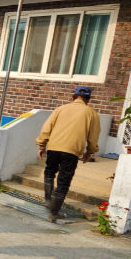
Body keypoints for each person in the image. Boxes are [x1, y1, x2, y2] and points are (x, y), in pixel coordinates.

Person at [36, 86, 101, 222]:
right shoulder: (91, 113)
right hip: (72, 151)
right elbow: (93, 137)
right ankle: (53, 213)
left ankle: (48, 200)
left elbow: (47, 128)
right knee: (63, 181)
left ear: (72, 97)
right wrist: (90, 152)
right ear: (88, 99)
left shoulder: (60, 109)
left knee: (49, 171)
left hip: (54, 147)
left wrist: (42, 145)